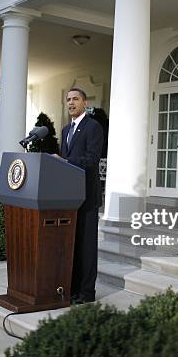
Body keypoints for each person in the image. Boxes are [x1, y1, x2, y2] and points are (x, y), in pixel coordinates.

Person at [54, 87, 103, 304]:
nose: (71, 103)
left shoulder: (93, 127)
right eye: (68, 100)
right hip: (70, 196)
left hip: (88, 197)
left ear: (85, 102)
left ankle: (87, 293)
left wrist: (65, 162)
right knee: (72, 245)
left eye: (75, 99)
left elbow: (92, 160)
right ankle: (72, 290)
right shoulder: (65, 130)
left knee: (87, 247)